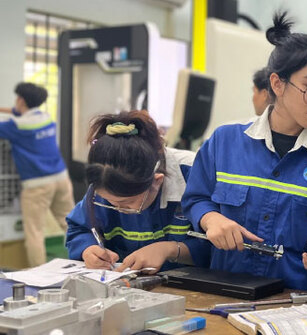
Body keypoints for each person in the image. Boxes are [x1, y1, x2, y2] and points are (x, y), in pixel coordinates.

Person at [182, 11, 307, 294]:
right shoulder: (224, 141)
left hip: (300, 297)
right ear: (277, 83)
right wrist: (211, 219)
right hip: (228, 289)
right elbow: (195, 199)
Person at [65, 111, 210, 272]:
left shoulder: (195, 175)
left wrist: (170, 249)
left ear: (157, 181)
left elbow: (218, 248)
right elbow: (79, 228)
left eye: (126, 204)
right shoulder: (103, 182)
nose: (118, 209)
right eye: (109, 202)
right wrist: (87, 249)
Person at [0, 83, 74, 266]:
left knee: (35, 232)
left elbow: (13, 120)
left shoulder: (15, 126)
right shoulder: (46, 118)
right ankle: (87, 262)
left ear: (21, 100)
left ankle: (39, 277)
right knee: (71, 224)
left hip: (37, 185)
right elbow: (20, 113)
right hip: (61, 178)